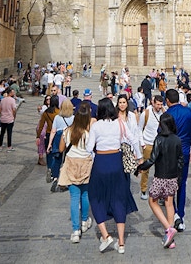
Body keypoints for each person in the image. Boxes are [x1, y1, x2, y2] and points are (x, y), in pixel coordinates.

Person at [86, 98, 140, 254]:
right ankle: (121, 243)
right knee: (118, 199)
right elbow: (133, 138)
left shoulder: (96, 126)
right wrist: (139, 156)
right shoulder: (119, 123)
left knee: (95, 197)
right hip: (117, 161)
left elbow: (90, 148)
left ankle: (106, 235)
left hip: (101, 162)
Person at [135, 112, 184, 249]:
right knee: (169, 204)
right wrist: (179, 178)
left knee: (152, 201)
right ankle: (170, 239)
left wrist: (140, 167)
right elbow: (181, 161)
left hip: (160, 176)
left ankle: (168, 228)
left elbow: (152, 159)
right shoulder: (177, 139)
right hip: (173, 176)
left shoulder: (159, 139)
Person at [58, 102, 94, 243]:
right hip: (85, 163)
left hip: (71, 162)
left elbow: (61, 149)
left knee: (74, 197)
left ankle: (75, 230)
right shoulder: (87, 134)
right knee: (85, 194)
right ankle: (84, 221)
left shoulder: (67, 131)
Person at [165, 88, 191, 231]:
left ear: (167, 100)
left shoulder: (167, 115)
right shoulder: (188, 113)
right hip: (184, 152)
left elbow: (161, 135)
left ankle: (173, 217)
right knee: (182, 184)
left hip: (170, 154)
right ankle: (181, 215)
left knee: (170, 184)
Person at [138, 95, 165, 199]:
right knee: (146, 168)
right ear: (153, 103)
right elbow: (139, 128)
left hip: (160, 144)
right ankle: (144, 189)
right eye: (157, 104)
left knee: (161, 168)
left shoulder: (164, 112)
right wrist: (142, 143)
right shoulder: (146, 113)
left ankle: (161, 190)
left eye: (161, 104)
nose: (159, 106)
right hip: (148, 143)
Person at [47, 99, 75, 191]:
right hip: (68, 139)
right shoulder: (73, 118)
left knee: (57, 159)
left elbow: (53, 131)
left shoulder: (57, 117)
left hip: (58, 138)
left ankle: (55, 177)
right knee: (68, 160)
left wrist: (50, 144)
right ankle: (65, 180)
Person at [36, 95, 60, 182]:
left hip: (49, 134)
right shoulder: (59, 112)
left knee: (48, 153)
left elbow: (41, 125)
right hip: (57, 134)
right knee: (56, 153)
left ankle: (49, 167)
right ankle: (55, 170)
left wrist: (38, 136)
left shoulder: (46, 113)